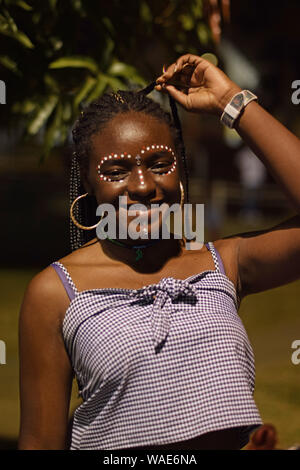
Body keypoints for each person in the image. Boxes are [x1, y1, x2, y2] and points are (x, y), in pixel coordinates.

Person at [18, 54, 300, 450]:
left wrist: (230, 103)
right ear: (88, 183)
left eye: (159, 163)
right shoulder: (55, 293)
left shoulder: (225, 262)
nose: (142, 185)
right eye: (116, 171)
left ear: (180, 169)